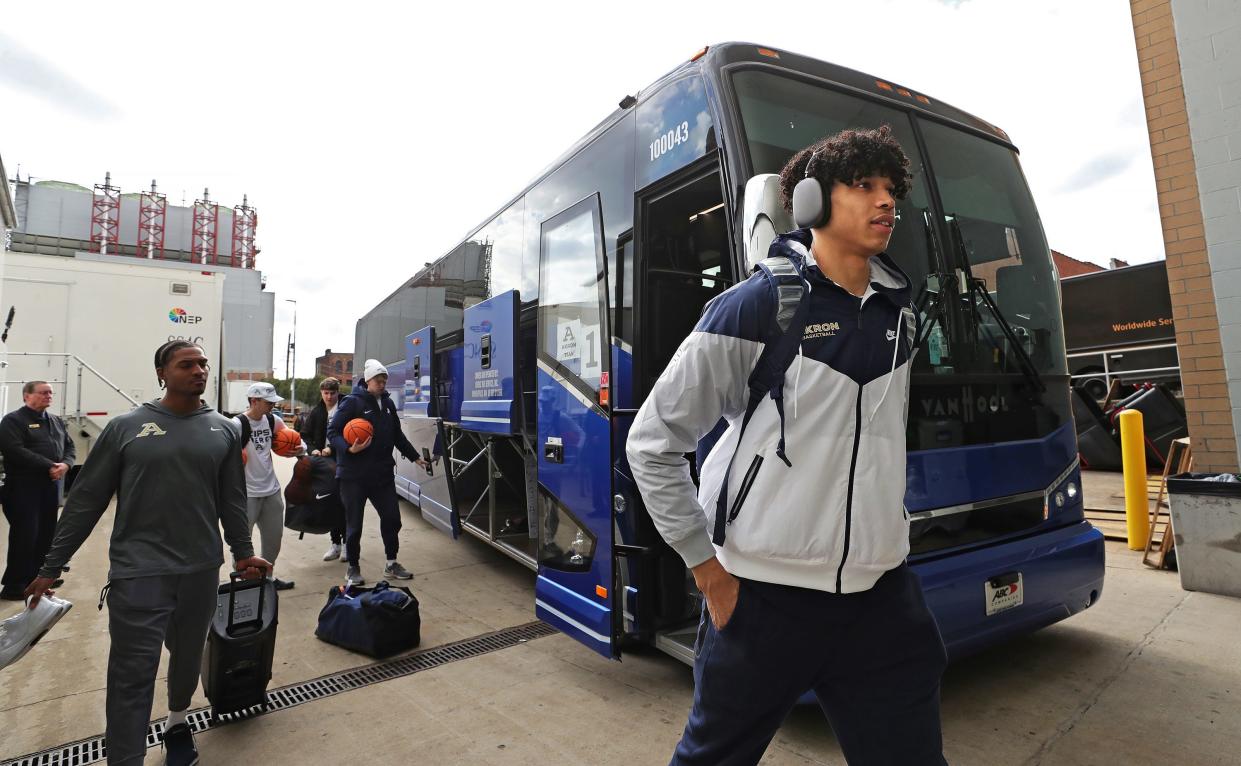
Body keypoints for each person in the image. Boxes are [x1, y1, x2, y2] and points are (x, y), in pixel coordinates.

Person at [626, 126, 948, 765]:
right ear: (810, 201)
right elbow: (652, 442)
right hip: (762, 598)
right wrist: (707, 570)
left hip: (882, 600)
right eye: (863, 186)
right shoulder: (756, 305)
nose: (886, 202)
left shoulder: (899, 318)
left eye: (891, 190)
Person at [24, 340, 271, 766]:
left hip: (199, 570)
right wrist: (50, 566)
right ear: (162, 372)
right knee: (131, 676)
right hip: (138, 573)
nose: (199, 371)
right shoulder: (125, 427)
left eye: (203, 364)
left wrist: (243, 551)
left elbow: (231, 498)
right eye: (187, 364)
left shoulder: (227, 429)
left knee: (189, 658)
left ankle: (177, 722)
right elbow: (86, 500)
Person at [327, 359, 424, 585]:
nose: (382, 384)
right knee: (354, 524)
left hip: (381, 474)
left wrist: (415, 456)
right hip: (354, 476)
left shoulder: (388, 405)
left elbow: (397, 436)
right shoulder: (351, 403)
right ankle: (353, 567)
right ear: (368, 381)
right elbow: (332, 432)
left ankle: (391, 563)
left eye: (384, 381)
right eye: (378, 381)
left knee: (392, 518)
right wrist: (348, 448)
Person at [0, 381, 75, 600]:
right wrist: (49, 465)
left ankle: (39, 578)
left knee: (46, 534)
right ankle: (15, 584)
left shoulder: (55, 421)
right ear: (27, 396)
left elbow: (69, 447)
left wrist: (66, 465)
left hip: (49, 488)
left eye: (50, 393)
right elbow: (14, 450)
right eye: (43, 393)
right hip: (23, 488)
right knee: (26, 535)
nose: (48, 396)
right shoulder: (13, 421)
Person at [237, 381, 296, 591]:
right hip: (247, 494)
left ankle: (267, 578)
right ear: (254, 401)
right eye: (268, 402)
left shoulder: (273, 420)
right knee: (243, 544)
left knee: (274, 539)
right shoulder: (237, 424)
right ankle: (246, 582)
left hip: (271, 490)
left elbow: (295, 442)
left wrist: (299, 450)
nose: (272, 405)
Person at [300, 376, 347, 561]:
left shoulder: (346, 408)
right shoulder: (317, 411)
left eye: (332, 393)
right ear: (321, 393)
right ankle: (335, 544)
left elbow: (351, 434)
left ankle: (346, 545)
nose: (329, 397)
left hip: (343, 460)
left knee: (344, 505)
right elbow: (304, 434)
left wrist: (333, 448)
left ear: (338, 392)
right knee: (329, 503)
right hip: (323, 464)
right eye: (326, 393)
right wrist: (314, 450)